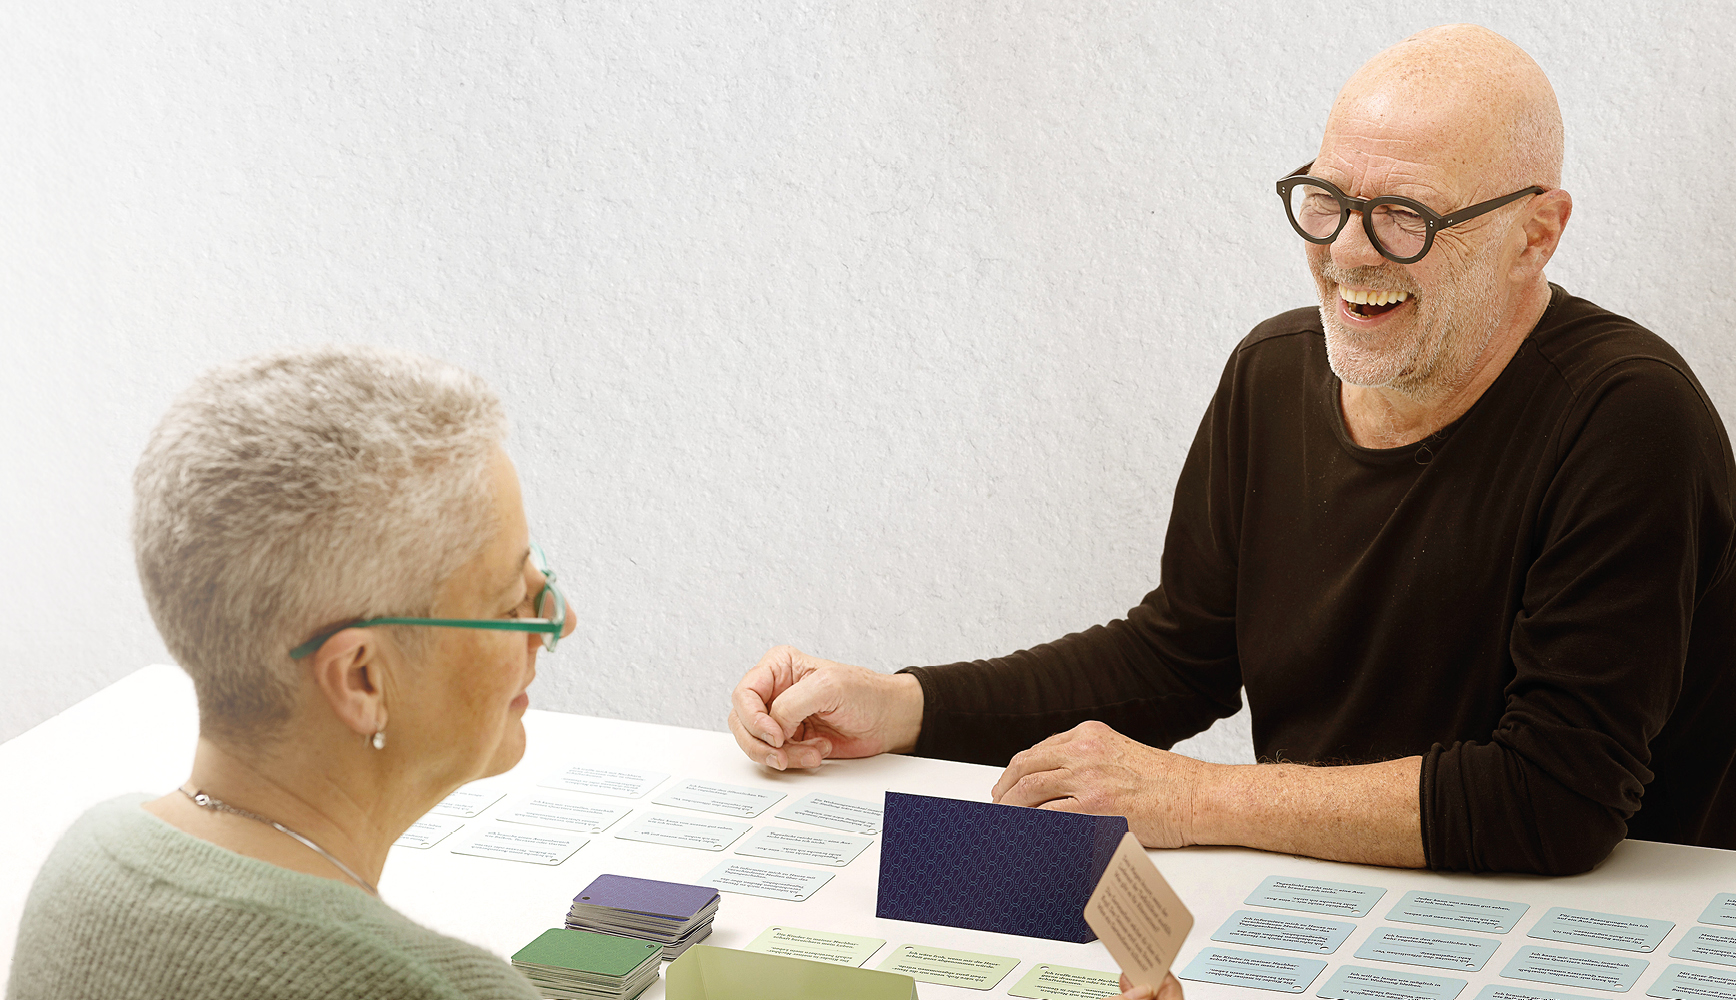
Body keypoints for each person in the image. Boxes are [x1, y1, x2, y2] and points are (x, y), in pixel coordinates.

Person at [727, 20, 1736, 895]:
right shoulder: (1270, 373)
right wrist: (901, 704)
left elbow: (1552, 801)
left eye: (1405, 216)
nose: (1346, 252)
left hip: (1609, 928)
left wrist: (1196, 795)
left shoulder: (1627, 419)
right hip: (1333, 905)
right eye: (1326, 197)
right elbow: (1176, 656)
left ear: (1535, 234)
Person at [8, 345, 574, 1000]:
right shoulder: (440, 991)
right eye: (511, 603)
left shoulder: (83, 867)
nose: (561, 622)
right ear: (362, 679)